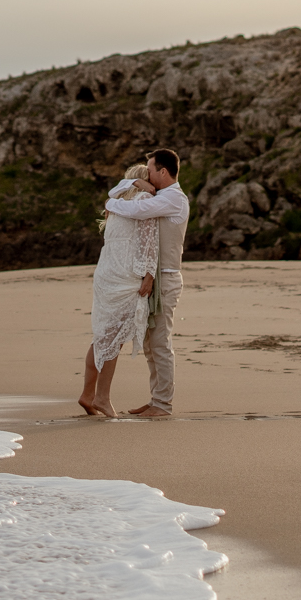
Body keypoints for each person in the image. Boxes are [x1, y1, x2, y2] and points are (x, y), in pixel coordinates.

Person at [101, 148, 190, 418]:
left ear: (163, 172)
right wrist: (132, 183)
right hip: (152, 278)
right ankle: (157, 400)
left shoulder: (174, 199)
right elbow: (115, 191)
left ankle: (163, 405)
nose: (147, 175)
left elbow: (137, 209)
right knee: (152, 345)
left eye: (150, 170)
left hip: (165, 279)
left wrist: (110, 206)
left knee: (160, 343)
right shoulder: (159, 195)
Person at [78, 164, 159, 418]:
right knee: (112, 340)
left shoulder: (113, 206)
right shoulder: (145, 200)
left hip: (106, 273)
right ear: (145, 180)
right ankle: (101, 397)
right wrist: (149, 274)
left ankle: (88, 394)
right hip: (126, 273)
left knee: (102, 335)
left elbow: (112, 196)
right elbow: (149, 241)